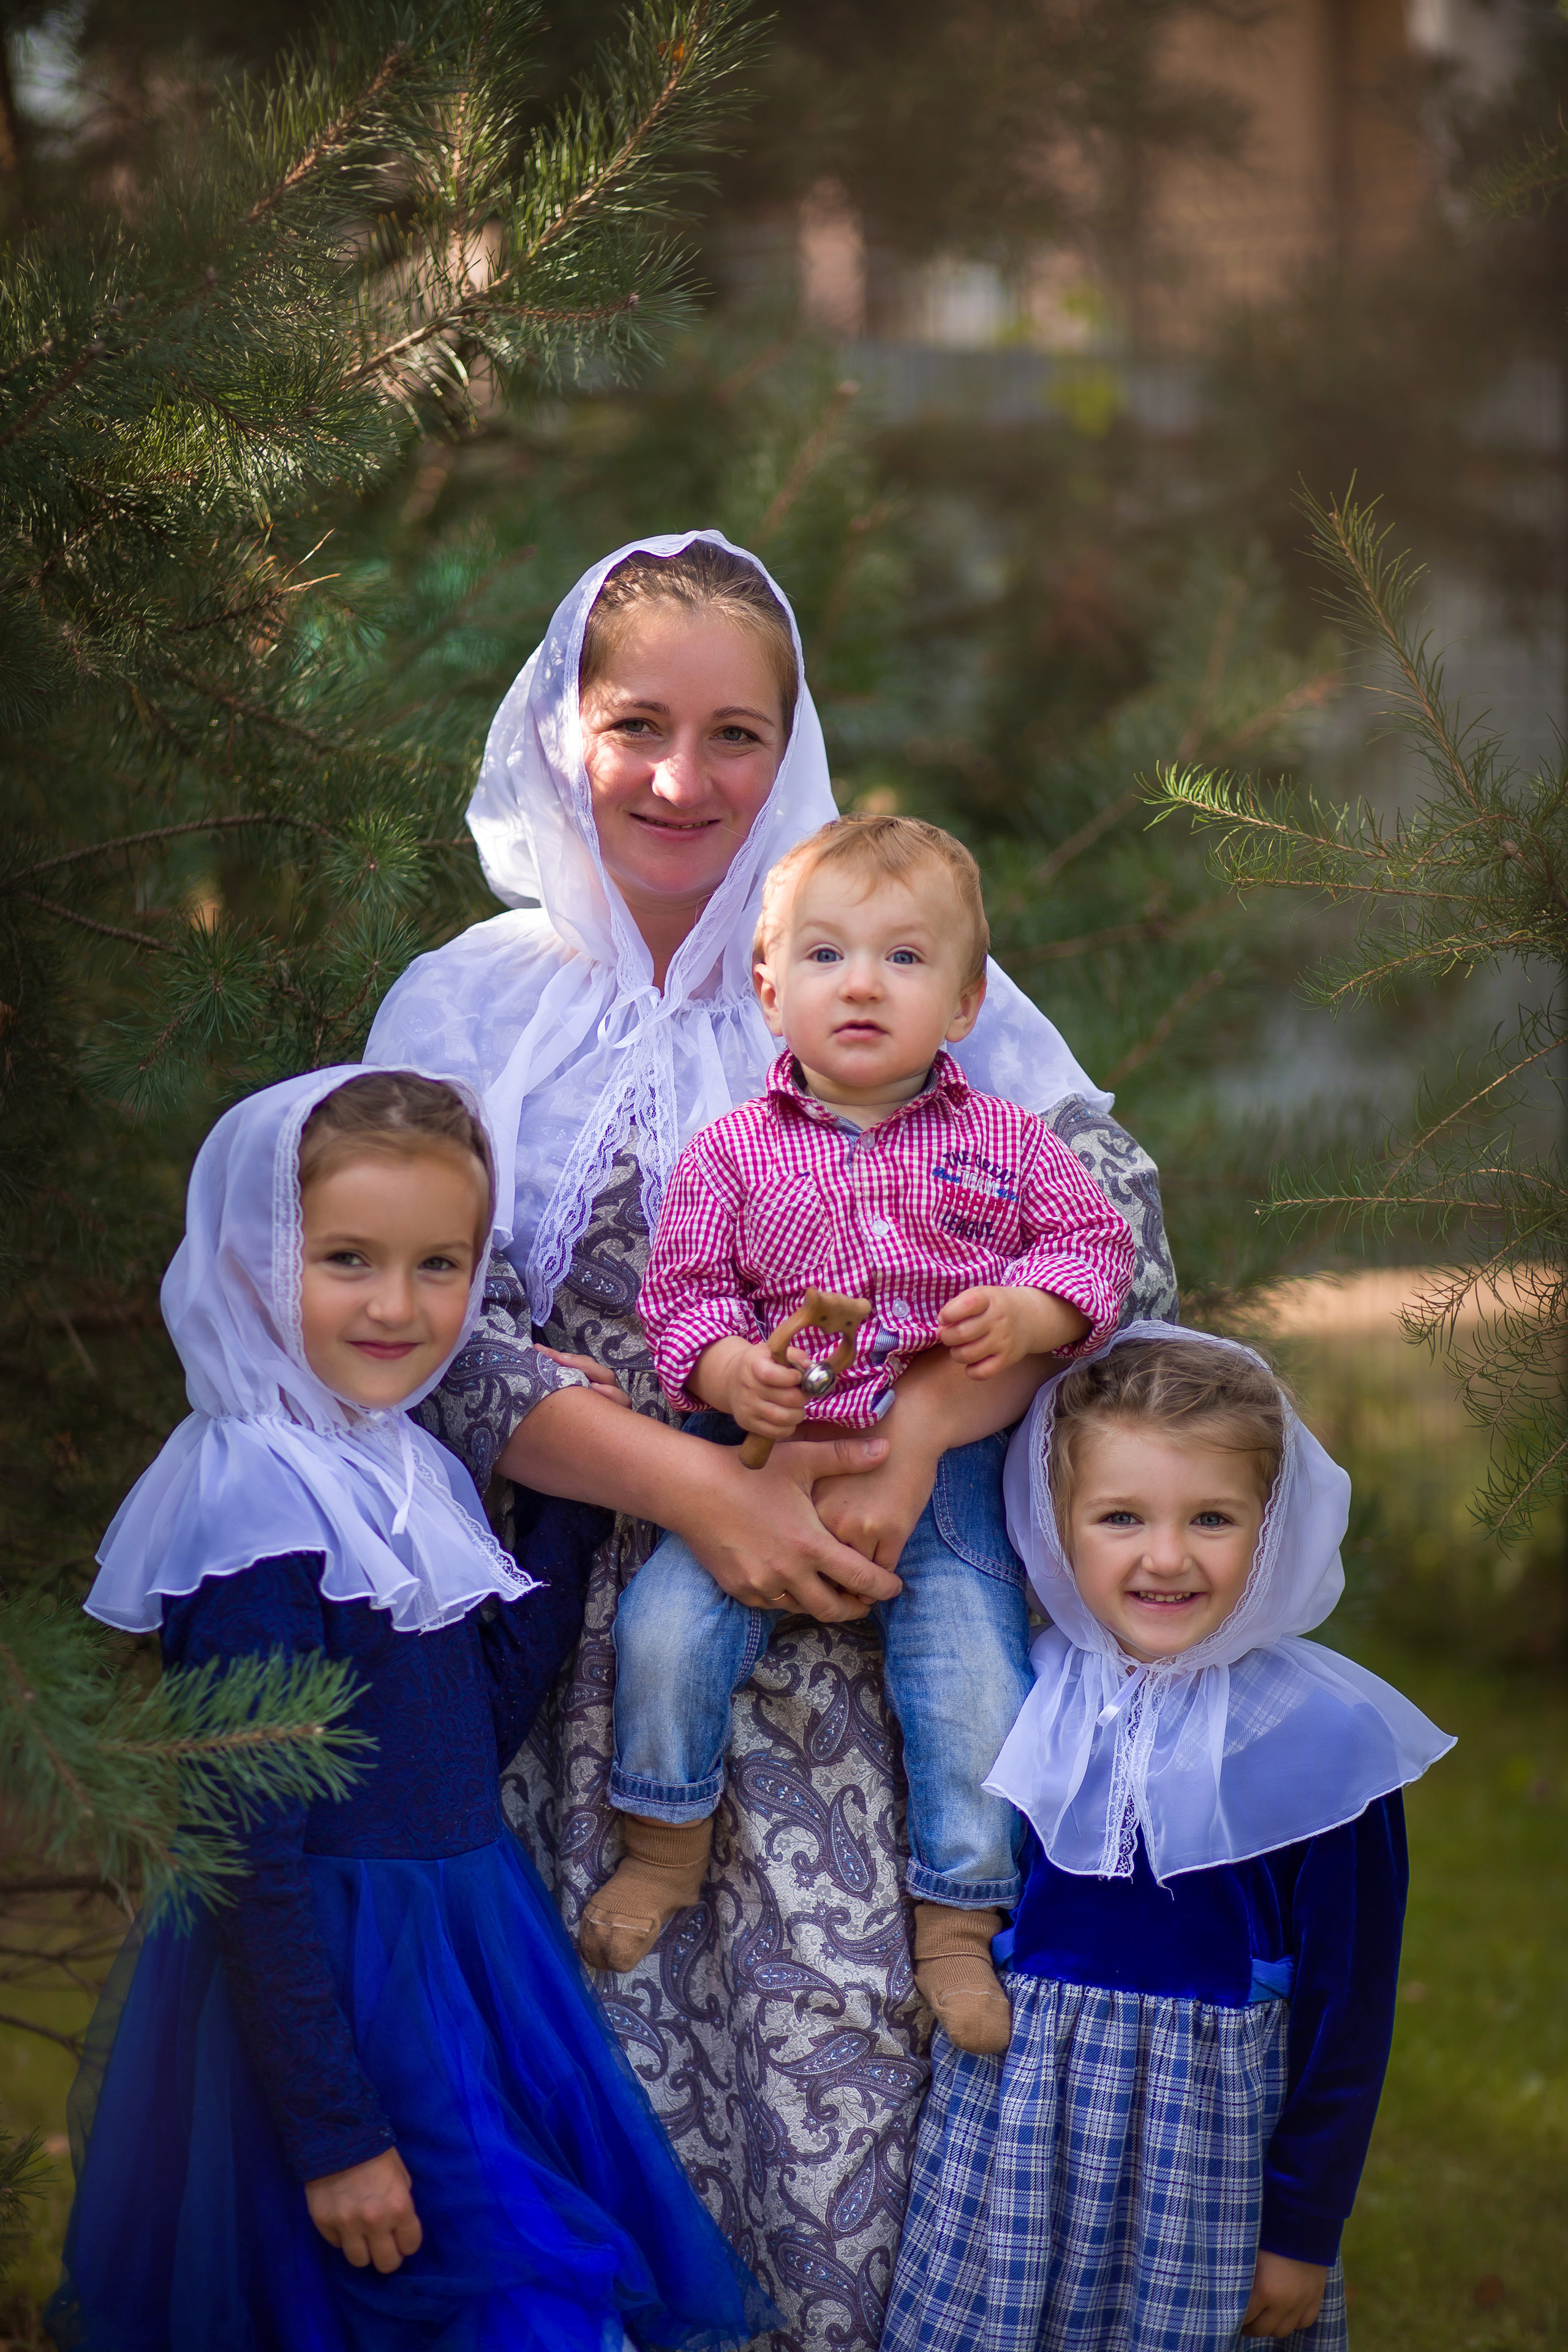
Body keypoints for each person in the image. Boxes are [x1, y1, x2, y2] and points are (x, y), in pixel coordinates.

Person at [364, 532, 1180, 2344]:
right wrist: (690, 1487)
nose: (680, 776)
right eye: (635, 722)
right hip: (571, 1630)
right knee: (586, 2129)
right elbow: (402, 1337)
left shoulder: (865, 954)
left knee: (847, 2091)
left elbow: (1121, 1225)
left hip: (862, 1644)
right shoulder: (470, 1005)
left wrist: (929, 1434)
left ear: (792, 746)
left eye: (736, 732)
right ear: (558, 725)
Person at [47, 1068, 774, 2352]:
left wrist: (567, 1489)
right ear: (247, 1263)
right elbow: (246, 1856)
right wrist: (335, 2134)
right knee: (490, 2299)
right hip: (331, 1980)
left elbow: (468, 1727)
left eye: (439, 1265)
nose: (398, 1306)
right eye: (346, 1259)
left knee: (508, 2291)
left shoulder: (396, 1461)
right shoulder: (251, 1507)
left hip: (463, 1951)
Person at [587, 815, 1134, 2059]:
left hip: (942, 1474)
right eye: (826, 956)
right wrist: (733, 1371)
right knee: (663, 1629)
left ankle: (955, 1914)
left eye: (902, 958)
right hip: (766, 1457)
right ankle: (662, 1840)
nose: (861, 984)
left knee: (975, 1682)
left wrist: (1031, 1303)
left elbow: (1092, 1246)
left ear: (962, 1002)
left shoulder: (1004, 1142)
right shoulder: (728, 1154)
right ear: (768, 989)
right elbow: (684, 1300)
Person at [882, 1325, 1456, 2352]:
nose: (1165, 1556)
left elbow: (1349, 2015)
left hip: (1205, 2161)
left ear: (1272, 1527)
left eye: (1212, 1518)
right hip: (1021, 2134)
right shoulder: (1033, 1689)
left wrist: (1302, 2231)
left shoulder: (1324, 1742)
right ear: (1058, 1526)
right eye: (1120, 1517)